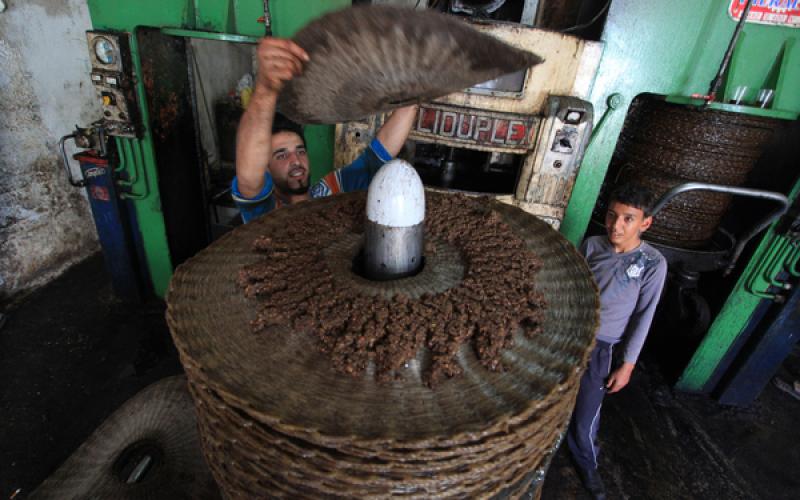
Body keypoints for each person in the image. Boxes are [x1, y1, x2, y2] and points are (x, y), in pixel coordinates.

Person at [232, 37, 417, 222]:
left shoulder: (331, 190)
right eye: (281, 155)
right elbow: (249, 182)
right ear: (266, 169)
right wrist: (266, 89)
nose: (296, 160)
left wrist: (412, 97)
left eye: (300, 151)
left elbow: (378, 154)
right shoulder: (265, 214)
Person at [567, 183, 668, 500]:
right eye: (612, 215)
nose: (616, 225)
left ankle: (589, 467)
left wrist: (627, 365)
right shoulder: (593, 245)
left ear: (645, 223)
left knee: (585, 418)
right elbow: (575, 289)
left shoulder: (652, 264)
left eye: (628, 218)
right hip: (572, 337)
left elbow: (644, 316)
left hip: (602, 347)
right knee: (553, 401)